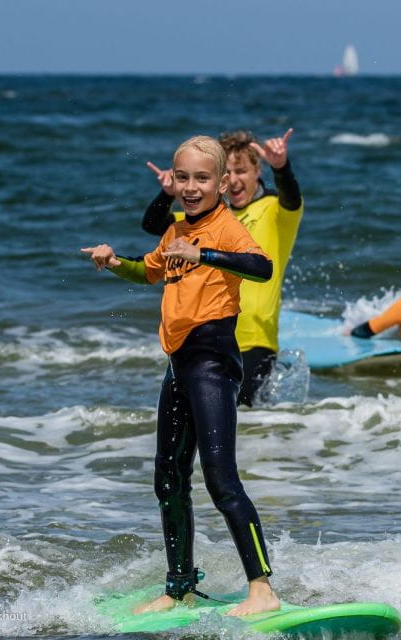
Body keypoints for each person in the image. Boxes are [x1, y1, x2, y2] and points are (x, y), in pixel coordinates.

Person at [81, 135, 280, 617]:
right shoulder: (173, 233)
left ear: (222, 181)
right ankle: (179, 587)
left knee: (220, 478)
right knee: (168, 478)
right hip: (179, 365)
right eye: (184, 178)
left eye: (203, 178)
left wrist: (205, 256)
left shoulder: (225, 226)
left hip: (213, 362)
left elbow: (261, 265)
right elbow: (146, 272)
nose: (192, 187)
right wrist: (112, 264)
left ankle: (262, 589)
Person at [143, 128, 303, 406]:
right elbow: (154, 225)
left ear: (257, 170)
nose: (236, 181)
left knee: (241, 418)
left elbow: (292, 198)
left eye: (241, 170)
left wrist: (282, 167)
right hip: (205, 340)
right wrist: (167, 193)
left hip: (255, 341)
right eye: (229, 173)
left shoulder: (274, 209)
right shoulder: (205, 217)